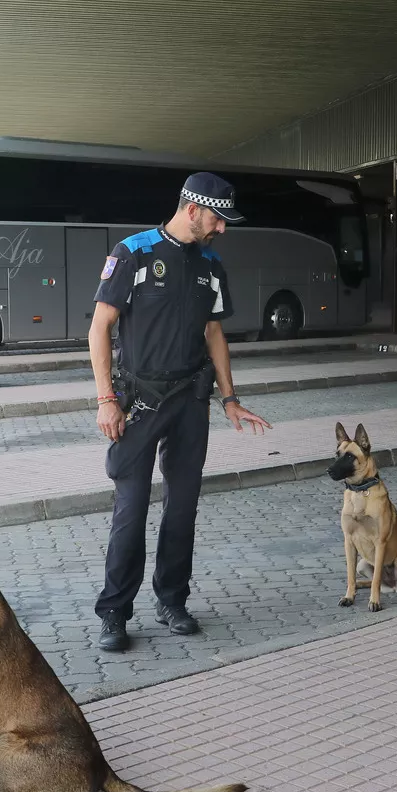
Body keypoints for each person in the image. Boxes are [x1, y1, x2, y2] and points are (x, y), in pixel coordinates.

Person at [89, 173, 270, 652]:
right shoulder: (134, 253)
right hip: (139, 402)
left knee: (182, 509)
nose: (222, 229)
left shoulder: (210, 263)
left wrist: (229, 398)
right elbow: (99, 329)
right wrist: (107, 399)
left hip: (190, 400)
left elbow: (214, 334)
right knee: (130, 511)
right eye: (218, 219)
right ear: (192, 209)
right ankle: (114, 612)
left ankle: (172, 600)